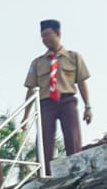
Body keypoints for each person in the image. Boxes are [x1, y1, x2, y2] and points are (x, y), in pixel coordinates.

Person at [25, 19, 92, 175]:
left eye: (48, 35)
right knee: (44, 140)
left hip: (67, 101)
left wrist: (88, 106)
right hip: (46, 104)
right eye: (42, 36)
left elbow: (82, 83)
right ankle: (44, 173)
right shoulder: (37, 63)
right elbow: (30, 89)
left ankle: (76, 169)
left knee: (72, 136)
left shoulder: (73, 57)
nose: (45, 39)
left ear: (58, 34)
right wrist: (25, 116)